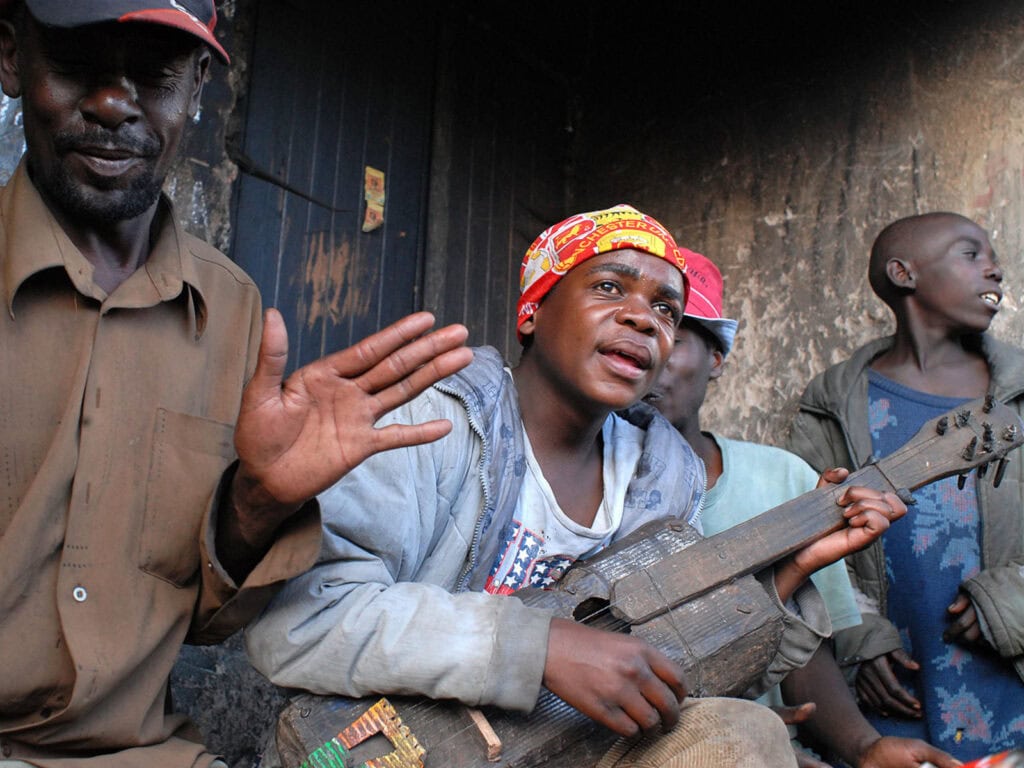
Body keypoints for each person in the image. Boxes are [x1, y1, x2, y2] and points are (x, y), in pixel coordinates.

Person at [246, 204, 907, 768]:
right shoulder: (433, 423)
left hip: (561, 747)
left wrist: (786, 576)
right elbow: (304, 623)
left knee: (741, 736)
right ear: (533, 310)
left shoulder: (664, 478)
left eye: (666, 310)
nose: (644, 319)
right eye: (609, 288)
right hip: (396, 746)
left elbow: (663, 661)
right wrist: (535, 647)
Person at [0, 2, 472, 766]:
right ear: (11, 56)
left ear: (197, 86)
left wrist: (261, 500)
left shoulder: (235, 311)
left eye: (153, 74)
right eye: (79, 61)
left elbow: (204, 623)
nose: (116, 103)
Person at [645, 250, 957, 768]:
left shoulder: (782, 478)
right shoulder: (590, 481)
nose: (649, 350)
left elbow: (809, 652)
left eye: (674, 336)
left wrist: (864, 747)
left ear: (716, 359)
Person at [786, 212, 1024, 758]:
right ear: (904, 273)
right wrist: (857, 635)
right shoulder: (834, 404)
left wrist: (1012, 604)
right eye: (971, 255)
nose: (996, 271)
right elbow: (807, 538)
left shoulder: (1019, 396)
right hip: (892, 713)